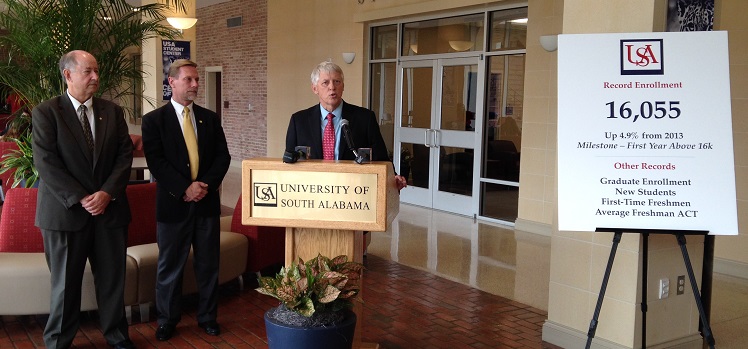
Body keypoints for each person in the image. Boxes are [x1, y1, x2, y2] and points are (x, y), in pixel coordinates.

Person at [32, 50, 134, 349]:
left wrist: (106, 193)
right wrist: (81, 197)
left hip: (109, 211)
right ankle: (58, 341)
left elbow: (124, 156)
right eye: (88, 71)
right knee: (64, 285)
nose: (95, 77)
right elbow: (46, 162)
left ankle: (117, 336)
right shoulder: (47, 112)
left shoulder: (112, 111)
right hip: (65, 215)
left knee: (112, 281)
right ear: (68, 74)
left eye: (97, 71)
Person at [141, 59, 231, 341]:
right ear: (172, 82)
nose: (195, 84)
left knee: (208, 264)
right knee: (170, 266)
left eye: (196, 80)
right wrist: (184, 188)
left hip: (205, 204)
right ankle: (168, 319)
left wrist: (204, 186)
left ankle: (208, 317)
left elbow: (222, 156)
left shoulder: (209, 118)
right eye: (189, 79)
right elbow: (156, 161)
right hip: (173, 205)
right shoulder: (154, 120)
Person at [285, 61, 407, 191]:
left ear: (343, 86)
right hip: (312, 191)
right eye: (325, 82)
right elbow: (290, 160)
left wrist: (393, 177)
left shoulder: (365, 118)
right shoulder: (299, 121)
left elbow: (381, 156)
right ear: (315, 88)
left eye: (337, 82)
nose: (332, 87)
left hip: (351, 192)